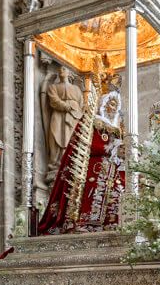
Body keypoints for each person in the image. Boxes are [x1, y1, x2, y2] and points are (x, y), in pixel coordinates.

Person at [38, 89, 125, 234]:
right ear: (103, 105)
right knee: (94, 189)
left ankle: (112, 222)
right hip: (94, 167)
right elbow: (88, 145)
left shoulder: (116, 129)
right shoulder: (94, 123)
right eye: (111, 103)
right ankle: (87, 221)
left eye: (116, 105)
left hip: (112, 167)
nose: (113, 108)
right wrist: (111, 149)